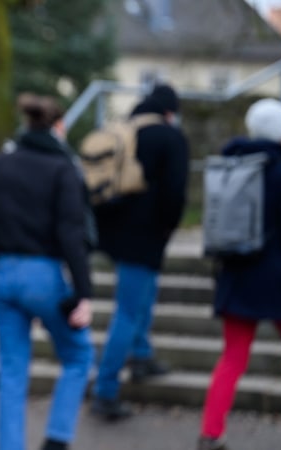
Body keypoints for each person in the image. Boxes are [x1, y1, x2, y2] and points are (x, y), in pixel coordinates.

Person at [0, 93, 94, 450]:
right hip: (43, 276)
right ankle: (57, 440)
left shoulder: (2, 163)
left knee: (11, 370)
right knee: (79, 355)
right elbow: (72, 231)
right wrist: (84, 292)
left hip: (2, 275)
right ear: (58, 127)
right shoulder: (63, 167)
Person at [197, 98, 281, 450]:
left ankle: (211, 434)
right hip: (280, 277)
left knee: (232, 357)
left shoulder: (231, 162)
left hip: (237, 272)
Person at [90, 83, 190, 419]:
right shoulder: (171, 138)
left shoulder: (123, 130)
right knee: (128, 311)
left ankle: (142, 355)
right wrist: (168, 227)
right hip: (146, 236)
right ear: (169, 112)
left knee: (142, 296)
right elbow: (175, 193)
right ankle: (105, 391)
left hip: (114, 234)